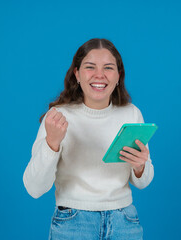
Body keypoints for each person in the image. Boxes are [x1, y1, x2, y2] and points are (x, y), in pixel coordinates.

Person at [23, 38, 154, 240]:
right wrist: (52, 144)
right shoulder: (57, 117)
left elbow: (143, 182)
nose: (99, 75)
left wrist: (140, 167)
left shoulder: (131, 114)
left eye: (108, 68)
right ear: (77, 74)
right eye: (90, 67)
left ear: (118, 76)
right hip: (73, 224)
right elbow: (34, 188)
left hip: (125, 223)